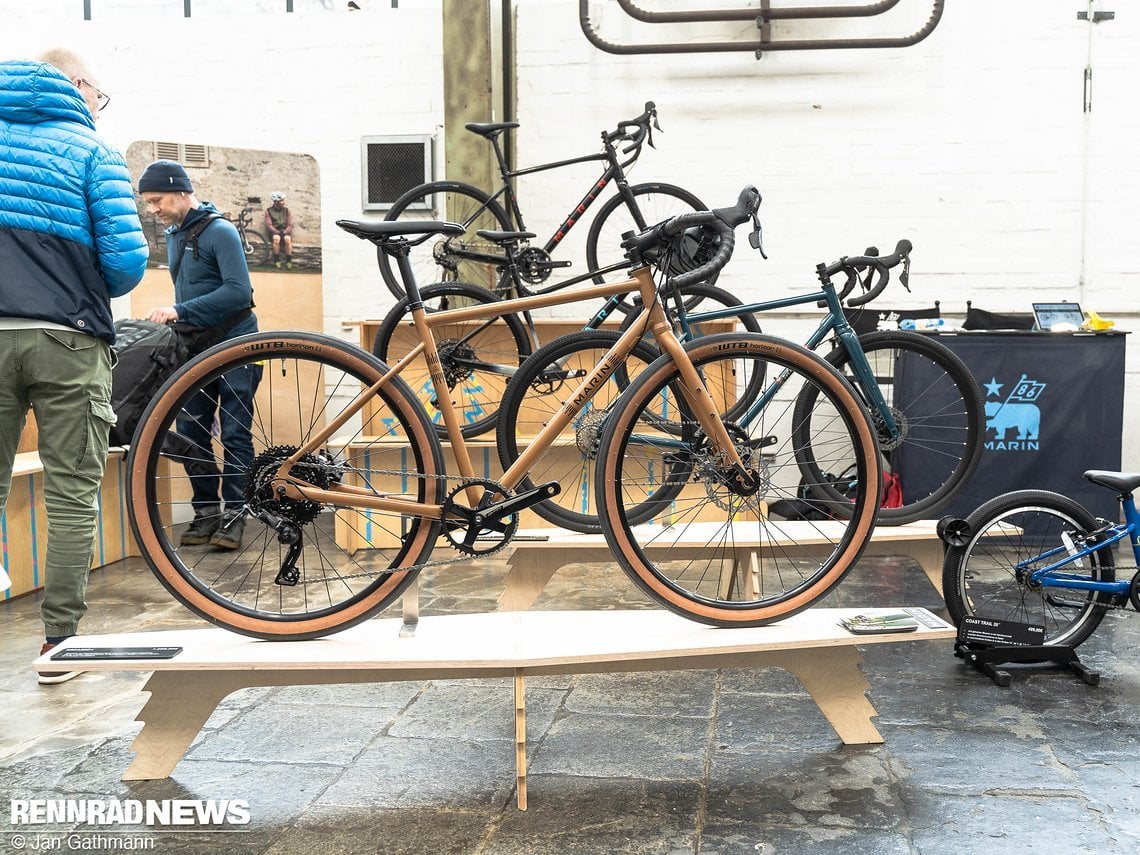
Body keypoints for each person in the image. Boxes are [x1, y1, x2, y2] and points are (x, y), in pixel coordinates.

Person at [0, 49, 148, 683]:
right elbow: (126, 265)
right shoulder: (92, 153)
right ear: (79, 85)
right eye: (99, 94)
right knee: (70, 495)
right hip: (69, 338)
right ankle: (57, 645)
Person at [139, 160, 259, 552]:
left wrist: (180, 310)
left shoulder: (219, 231)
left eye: (156, 200)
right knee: (192, 431)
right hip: (195, 347)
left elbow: (239, 292)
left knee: (236, 432)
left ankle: (237, 514)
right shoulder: (175, 234)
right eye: (148, 203)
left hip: (237, 343)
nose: (152, 209)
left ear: (179, 191)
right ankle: (207, 511)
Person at [264, 191, 294, 268]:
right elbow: (269, 225)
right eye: (281, 201)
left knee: (287, 239)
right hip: (275, 231)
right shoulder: (268, 211)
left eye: (283, 200)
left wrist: (285, 232)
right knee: (276, 239)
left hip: (285, 230)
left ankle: (288, 261)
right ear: (276, 202)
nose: (283, 202)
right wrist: (277, 232)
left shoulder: (287, 210)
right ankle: (277, 261)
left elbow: (290, 224)